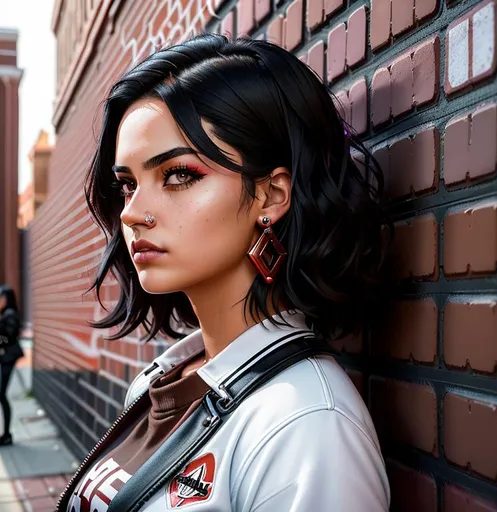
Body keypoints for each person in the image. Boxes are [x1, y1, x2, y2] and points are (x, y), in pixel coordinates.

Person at [59, 34, 391, 511]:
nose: (132, 213)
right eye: (128, 184)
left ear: (271, 196)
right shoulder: (161, 380)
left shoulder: (306, 425)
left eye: (178, 175)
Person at [0, 285, 24, 446]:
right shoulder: (6, 314)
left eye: (1, 297)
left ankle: (7, 434)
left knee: (1, 394)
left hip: (9, 357)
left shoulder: (10, 314)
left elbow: (8, 337)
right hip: (5, 357)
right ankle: (6, 434)